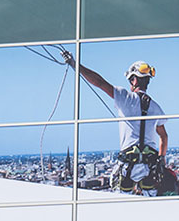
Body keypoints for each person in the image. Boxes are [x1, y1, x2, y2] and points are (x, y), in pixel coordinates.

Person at [61, 50, 173, 196]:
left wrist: (75, 65)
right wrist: (162, 159)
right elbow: (164, 136)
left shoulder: (125, 97)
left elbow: (99, 82)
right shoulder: (156, 108)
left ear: (134, 80)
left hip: (128, 162)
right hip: (149, 164)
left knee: (121, 200)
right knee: (150, 202)